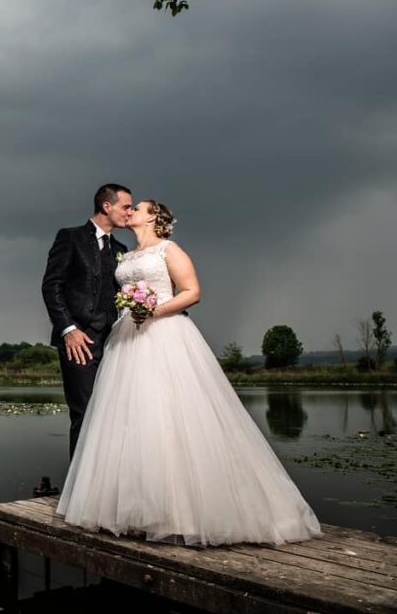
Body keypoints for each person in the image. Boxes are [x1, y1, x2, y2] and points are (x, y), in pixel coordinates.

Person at [54, 199, 323, 546]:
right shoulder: (125, 254)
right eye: (130, 205)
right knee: (132, 421)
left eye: (138, 207)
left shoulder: (170, 249)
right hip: (126, 341)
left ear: (154, 216)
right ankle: (135, 510)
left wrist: (153, 311)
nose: (131, 209)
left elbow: (192, 292)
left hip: (164, 334)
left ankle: (184, 511)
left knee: (172, 416)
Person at [41, 184, 133, 463]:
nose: (129, 212)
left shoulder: (121, 248)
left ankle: (103, 487)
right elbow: (51, 286)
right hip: (78, 342)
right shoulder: (69, 238)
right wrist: (68, 330)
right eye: (126, 206)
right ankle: (77, 492)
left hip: (113, 343)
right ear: (107, 206)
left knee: (111, 414)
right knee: (83, 412)